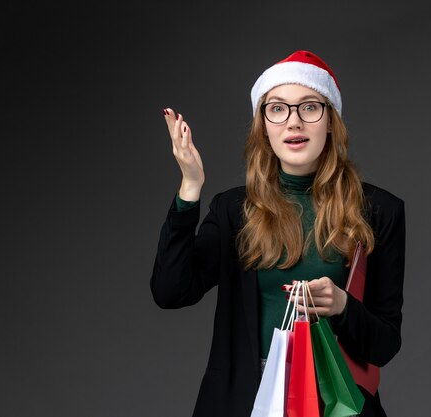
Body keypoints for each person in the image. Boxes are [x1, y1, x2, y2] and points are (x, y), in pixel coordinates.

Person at [151, 50, 405, 417]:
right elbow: (170, 291)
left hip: (338, 402)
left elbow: (384, 345)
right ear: (264, 125)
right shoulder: (233, 210)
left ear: (330, 121)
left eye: (309, 107)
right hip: (249, 400)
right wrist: (190, 187)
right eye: (278, 108)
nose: (294, 122)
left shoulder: (380, 211)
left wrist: (342, 306)